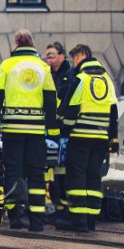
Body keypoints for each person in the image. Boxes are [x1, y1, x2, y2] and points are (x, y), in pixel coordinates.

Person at [0, 29, 57, 232]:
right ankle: (37, 219)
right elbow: (51, 99)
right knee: (36, 173)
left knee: (14, 171)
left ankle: (16, 216)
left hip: (12, 129)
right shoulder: (43, 67)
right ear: (32, 44)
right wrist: (53, 130)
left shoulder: (7, 66)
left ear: (16, 43)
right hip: (36, 131)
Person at [57, 45, 118, 233]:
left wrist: (62, 126)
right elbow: (113, 111)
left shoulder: (81, 79)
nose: (73, 63)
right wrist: (113, 138)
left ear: (82, 58)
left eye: (74, 58)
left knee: (77, 178)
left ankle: (78, 220)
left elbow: (70, 109)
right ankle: (91, 220)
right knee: (94, 178)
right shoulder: (107, 80)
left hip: (80, 137)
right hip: (100, 139)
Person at [43, 41, 74, 213]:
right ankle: (54, 201)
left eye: (51, 56)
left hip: (63, 129)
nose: (48, 60)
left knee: (62, 168)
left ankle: (63, 203)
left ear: (62, 56)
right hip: (48, 128)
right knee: (49, 167)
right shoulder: (47, 74)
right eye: (46, 56)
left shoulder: (69, 74)